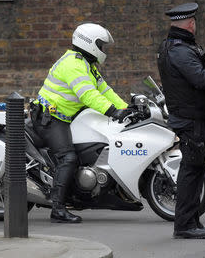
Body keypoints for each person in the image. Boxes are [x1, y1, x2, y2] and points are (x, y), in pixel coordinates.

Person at [31, 23, 131, 223]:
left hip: (63, 117)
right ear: (89, 43)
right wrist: (112, 111)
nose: (103, 50)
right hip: (49, 118)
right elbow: (88, 95)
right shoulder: (73, 65)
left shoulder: (87, 65)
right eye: (101, 45)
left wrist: (127, 110)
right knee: (68, 157)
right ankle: (57, 209)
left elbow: (105, 91)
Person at [156, 3, 205, 239]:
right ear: (190, 24)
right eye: (194, 22)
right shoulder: (180, 51)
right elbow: (200, 79)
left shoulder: (174, 47)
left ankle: (191, 221)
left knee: (194, 170)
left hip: (190, 117)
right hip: (191, 120)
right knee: (190, 171)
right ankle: (185, 225)